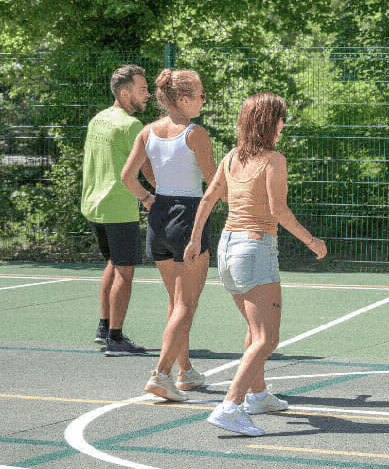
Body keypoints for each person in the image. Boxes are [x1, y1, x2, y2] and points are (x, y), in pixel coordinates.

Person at [185, 92, 327, 436]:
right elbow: (278, 211)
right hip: (255, 248)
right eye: (280, 118)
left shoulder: (232, 157)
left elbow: (208, 199)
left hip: (227, 249)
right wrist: (312, 241)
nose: (282, 125)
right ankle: (230, 405)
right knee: (267, 337)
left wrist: (193, 239)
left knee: (253, 328)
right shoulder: (274, 160)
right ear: (268, 123)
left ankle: (258, 395)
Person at [120, 69, 216, 401]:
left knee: (176, 304)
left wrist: (149, 200)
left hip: (159, 220)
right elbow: (214, 185)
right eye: (201, 95)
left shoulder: (147, 132)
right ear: (184, 99)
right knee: (186, 306)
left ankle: (185, 371)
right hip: (187, 217)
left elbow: (127, 177)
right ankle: (161, 375)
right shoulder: (195, 133)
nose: (204, 100)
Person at [81, 64, 154, 357]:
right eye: (142, 89)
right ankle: (115, 337)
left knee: (113, 262)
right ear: (125, 93)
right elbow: (141, 169)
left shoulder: (98, 120)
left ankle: (103, 328)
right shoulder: (131, 126)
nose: (148, 95)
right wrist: (149, 197)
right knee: (124, 271)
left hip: (94, 207)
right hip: (118, 208)